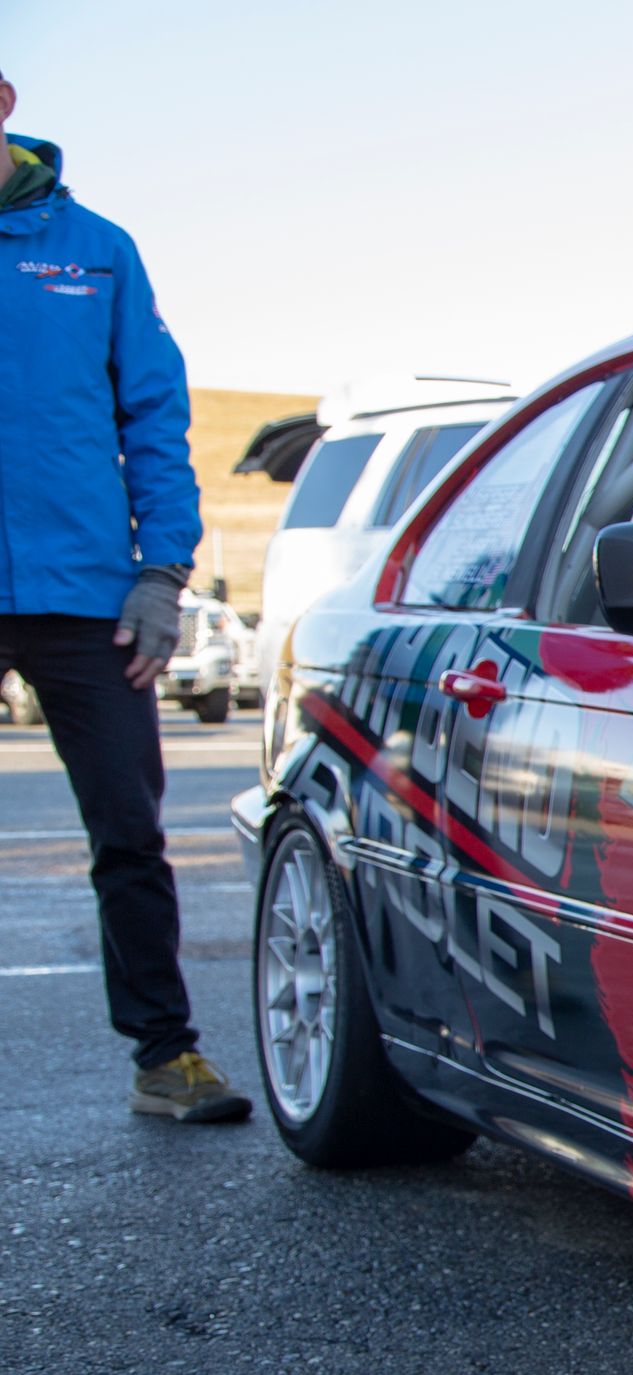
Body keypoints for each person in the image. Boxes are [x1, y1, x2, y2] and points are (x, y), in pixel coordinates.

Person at [0, 71, 250, 1123]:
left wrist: (163, 572)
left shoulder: (96, 248)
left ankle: (165, 1055)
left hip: (85, 597)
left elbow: (154, 414)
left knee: (128, 836)